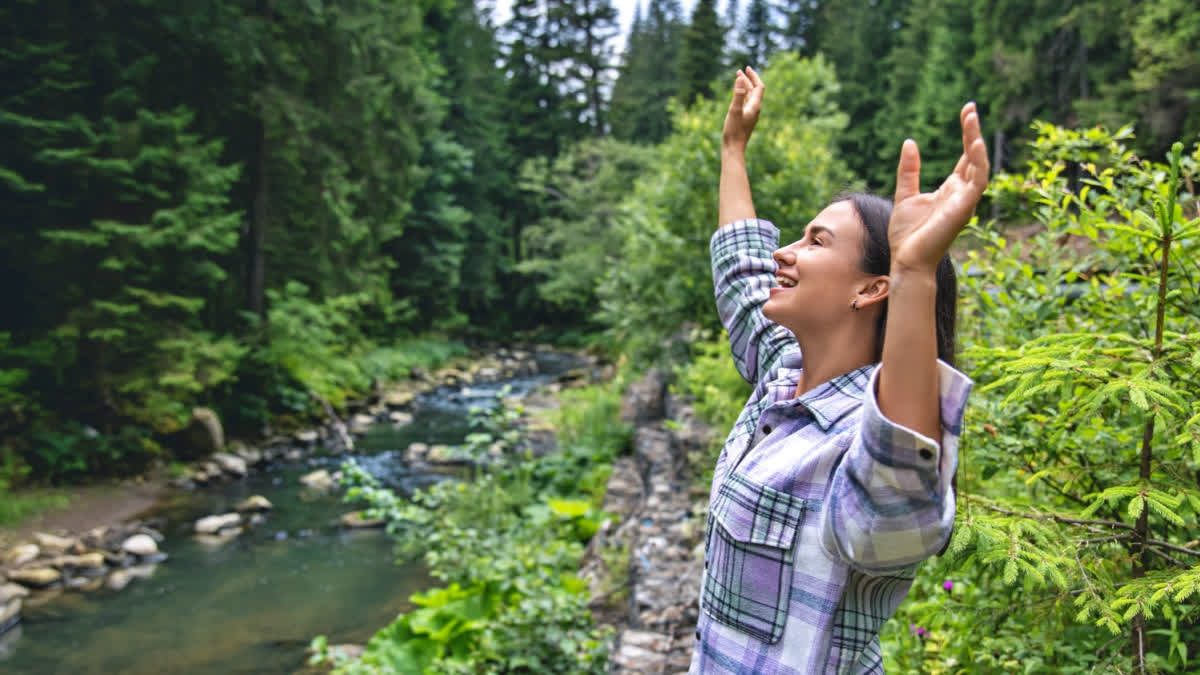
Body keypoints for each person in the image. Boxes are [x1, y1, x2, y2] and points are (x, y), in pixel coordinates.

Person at [690, 66, 989, 674]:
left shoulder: (857, 440)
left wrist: (914, 276)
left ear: (871, 288)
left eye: (815, 242)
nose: (785, 252)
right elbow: (743, 269)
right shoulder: (785, 371)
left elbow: (898, 480)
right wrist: (732, 148)